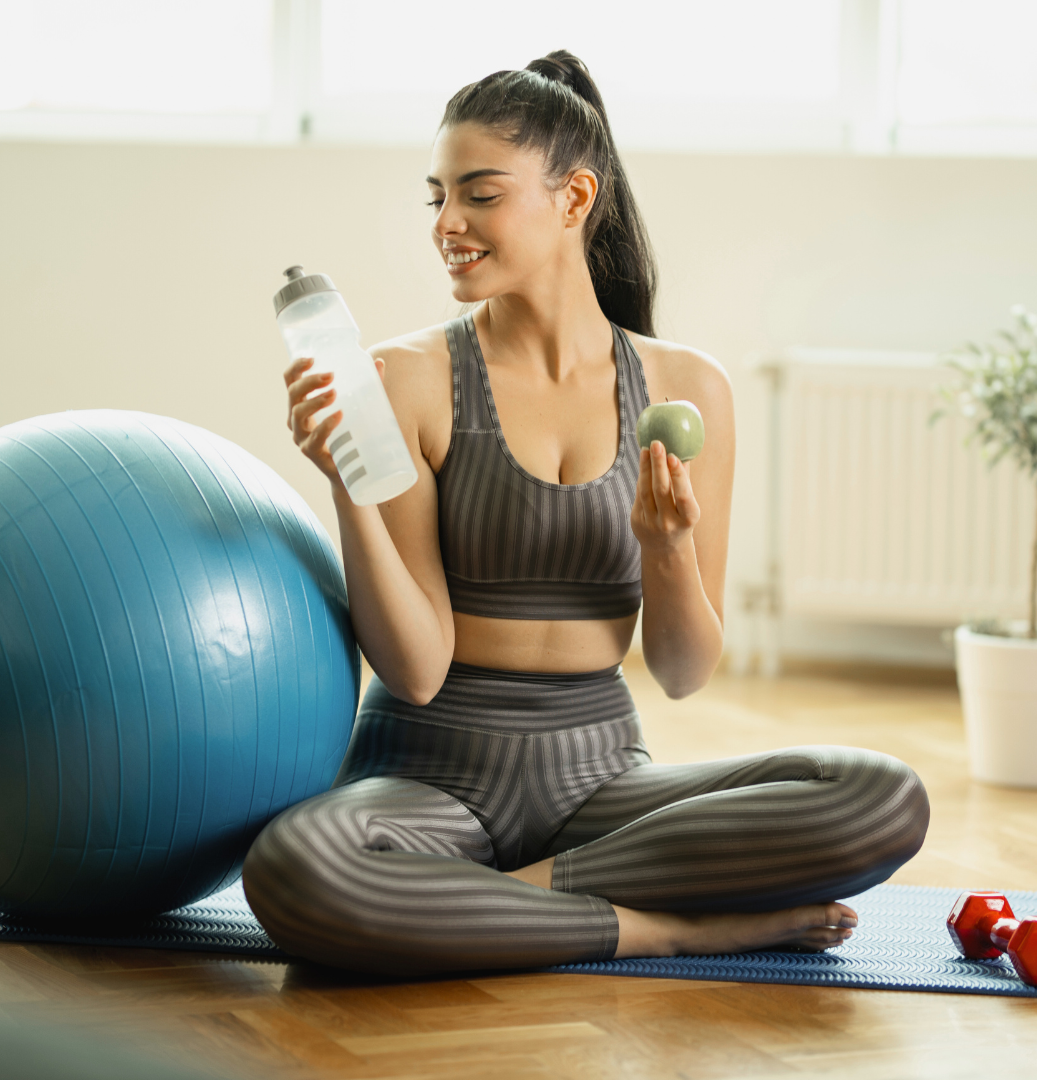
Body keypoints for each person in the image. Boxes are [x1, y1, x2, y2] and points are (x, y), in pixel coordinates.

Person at [242, 51, 929, 975]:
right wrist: (346, 483)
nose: (448, 224)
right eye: (437, 196)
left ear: (573, 198)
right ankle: (663, 928)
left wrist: (668, 549)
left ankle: (497, 903)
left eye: (480, 195)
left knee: (879, 797)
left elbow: (683, 671)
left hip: (600, 780)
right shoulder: (404, 379)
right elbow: (414, 667)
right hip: (428, 779)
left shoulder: (688, 387)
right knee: (297, 868)